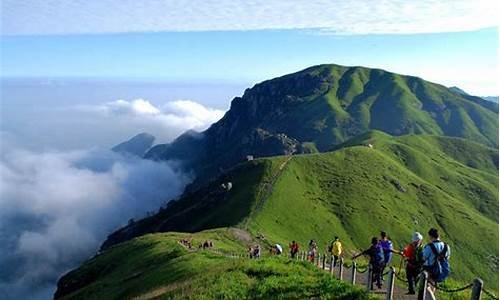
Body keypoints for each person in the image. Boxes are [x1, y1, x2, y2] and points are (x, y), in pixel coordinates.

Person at [418, 228, 451, 300]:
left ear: (431, 236)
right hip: (440, 271)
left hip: (429, 270)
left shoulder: (429, 246)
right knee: (433, 288)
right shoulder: (447, 246)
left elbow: (424, 258)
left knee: (426, 288)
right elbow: (447, 258)